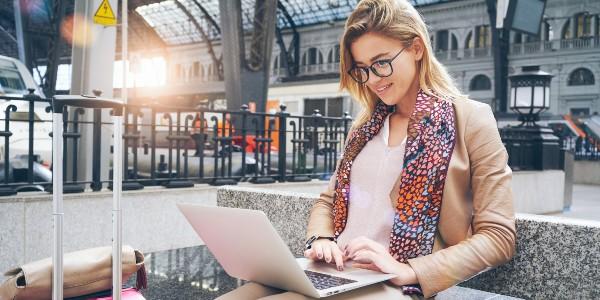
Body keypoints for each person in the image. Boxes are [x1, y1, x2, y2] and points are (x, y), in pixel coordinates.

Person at [218, 0, 515, 299]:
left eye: (381, 62)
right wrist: (321, 239)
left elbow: (498, 237)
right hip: (336, 270)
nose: (373, 80)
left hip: (393, 283)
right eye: (362, 69)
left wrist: (411, 270)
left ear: (416, 48)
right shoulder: (364, 127)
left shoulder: (471, 119)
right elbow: (328, 201)